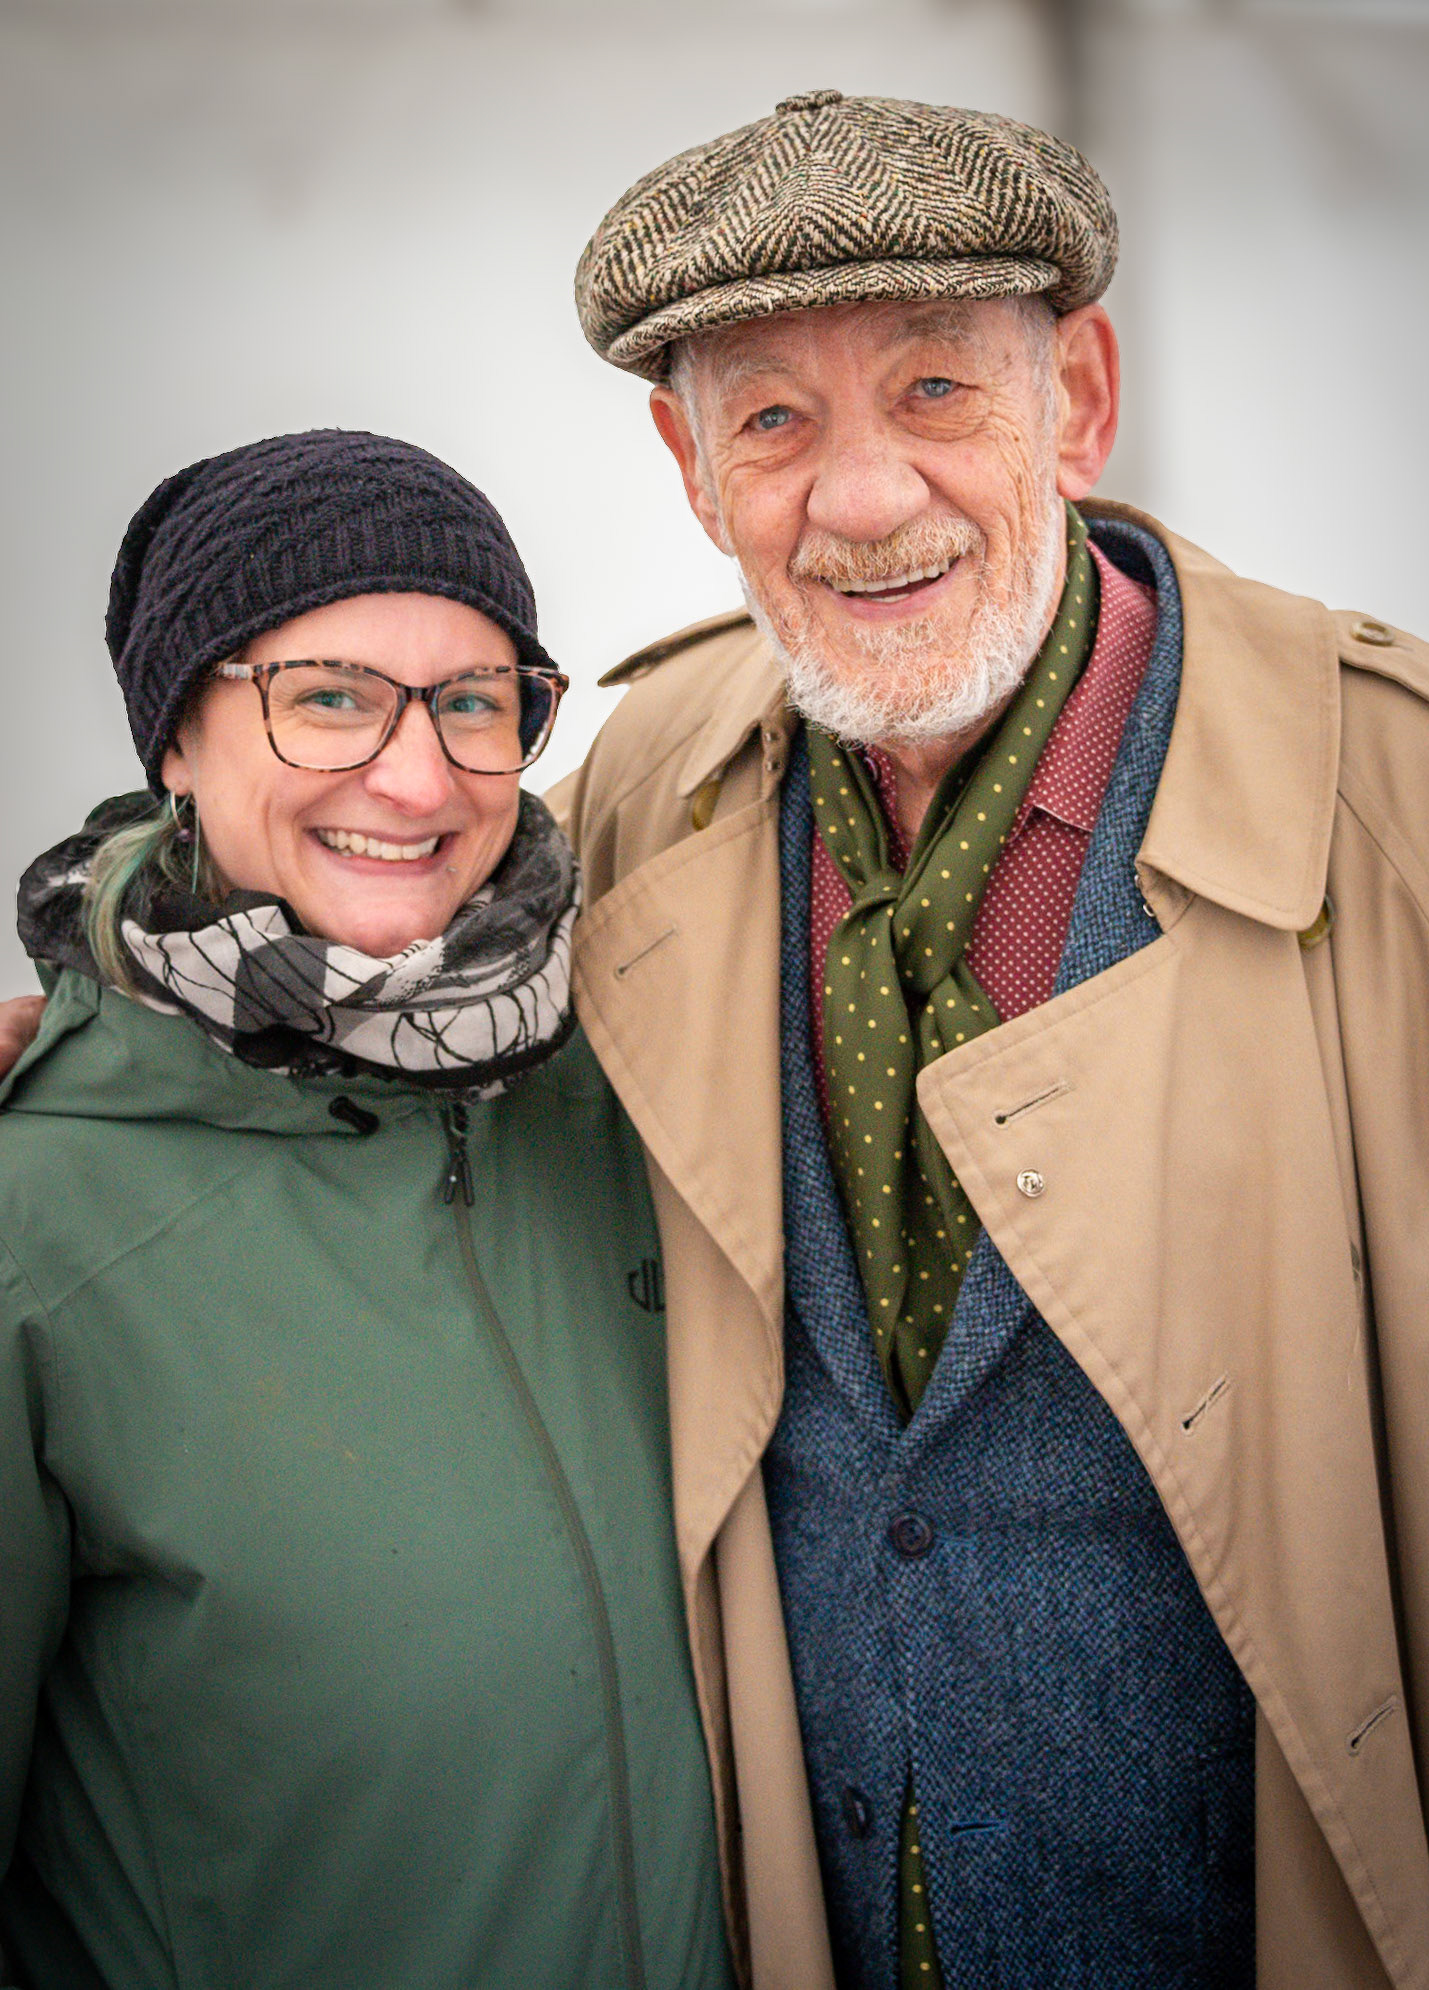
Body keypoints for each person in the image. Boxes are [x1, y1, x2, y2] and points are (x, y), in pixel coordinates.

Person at [549, 89, 1429, 1989]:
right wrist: (90, 1017)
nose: (859, 498)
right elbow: (370, 911)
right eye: (773, 419)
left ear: (1077, 397)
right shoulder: (640, 789)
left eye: (934, 391)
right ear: (689, 469)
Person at [0, 430, 732, 1989]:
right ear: (178, 740)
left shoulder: (634, 1093)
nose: (416, 775)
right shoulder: (40, 1208)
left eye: (474, 702)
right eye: (328, 695)